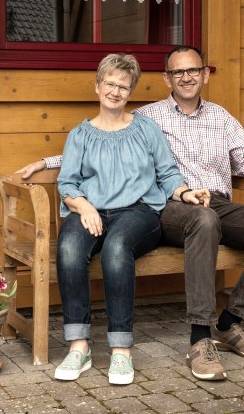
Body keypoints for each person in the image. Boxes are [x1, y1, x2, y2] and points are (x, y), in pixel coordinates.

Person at [18, 46, 244, 382]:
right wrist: (45, 163)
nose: (186, 77)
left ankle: (229, 322)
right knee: (200, 221)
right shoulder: (149, 117)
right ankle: (197, 338)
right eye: (178, 72)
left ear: (205, 74)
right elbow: (102, 142)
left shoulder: (219, 118)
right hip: (175, 207)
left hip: (206, 200)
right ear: (167, 78)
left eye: (193, 70)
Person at [53, 53, 210, 385]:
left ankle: (121, 351)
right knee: (68, 247)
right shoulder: (80, 134)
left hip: (139, 213)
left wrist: (186, 194)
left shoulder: (145, 129)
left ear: (130, 92)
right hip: (91, 211)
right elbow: (66, 184)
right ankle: (79, 346)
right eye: (109, 84)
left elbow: (167, 174)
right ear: (97, 87)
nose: (115, 91)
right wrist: (85, 207)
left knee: (116, 247)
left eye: (123, 87)